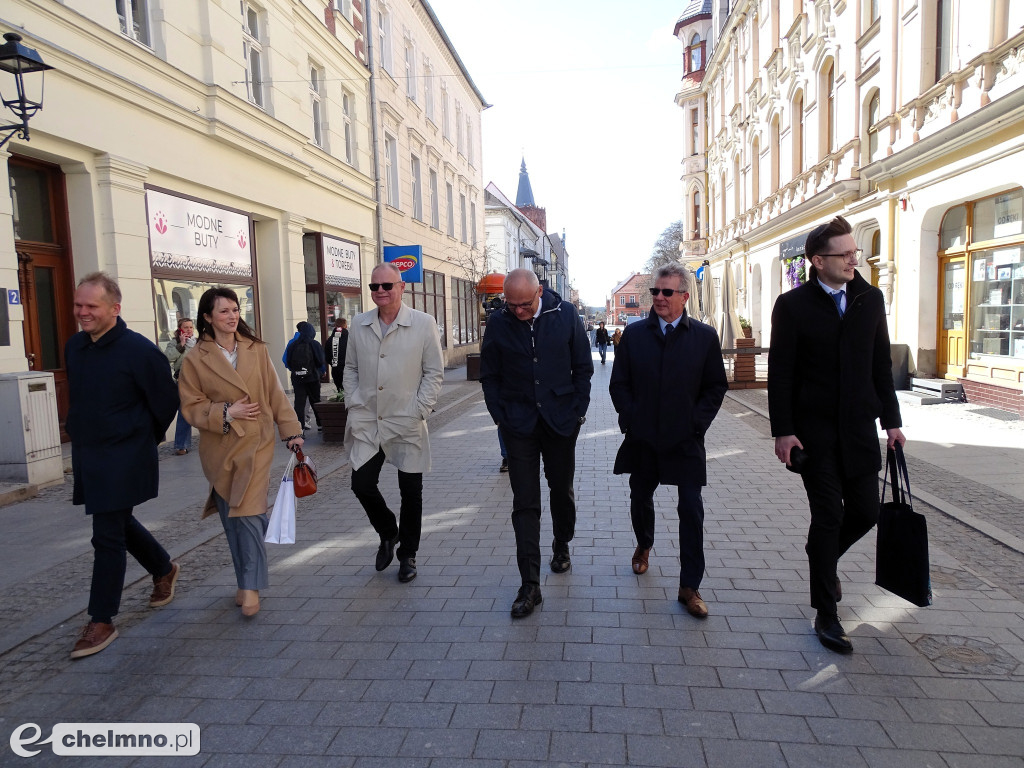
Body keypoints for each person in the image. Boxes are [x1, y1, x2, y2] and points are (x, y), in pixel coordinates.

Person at [768, 215, 905, 654]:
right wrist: (783, 432)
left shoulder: (869, 298)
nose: (853, 260)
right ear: (817, 261)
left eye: (854, 253)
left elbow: (880, 365)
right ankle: (827, 613)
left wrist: (892, 422)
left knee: (865, 512)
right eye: (844, 254)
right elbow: (781, 374)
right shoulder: (792, 306)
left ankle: (821, 558)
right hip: (815, 435)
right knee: (828, 515)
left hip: (859, 430)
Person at [65, 272, 181, 659]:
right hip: (89, 456)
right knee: (116, 522)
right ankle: (163, 568)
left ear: (115, 309)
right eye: (79, 305)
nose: (83, 312)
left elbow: (165, 401)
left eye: (91, 306)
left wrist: (139, 438)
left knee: (107, 534)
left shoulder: (139, 351)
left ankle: (102, 619)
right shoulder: (75, 348)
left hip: (125, 455)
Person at [609, 262, 727, 619]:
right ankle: (644, 544)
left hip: (685, 440)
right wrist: (631, 417)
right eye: (655, 292)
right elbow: (619, 383)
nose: (658, 298)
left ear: (684, 297)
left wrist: (696, 424)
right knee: (640, 495)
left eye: (666, 292)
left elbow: (715, 387)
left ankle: (689, 587)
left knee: (690, 509)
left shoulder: (704, 337)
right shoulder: (635, 335)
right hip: (644, 437)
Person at [179, 287, 304, 617]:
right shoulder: (195, 358)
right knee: (233, 520)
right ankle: (243, 580)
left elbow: (276, 393)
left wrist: (291, 431)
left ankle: (251, 587)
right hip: (220, 449)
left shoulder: (256, 349)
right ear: (207, 317)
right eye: (224, 311)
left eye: (235, 310)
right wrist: (225, 412)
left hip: (257, 444)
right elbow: (190, 406)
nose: (232, 316)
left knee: (248, 515)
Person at [480, 268, 594, 618]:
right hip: (519, 424)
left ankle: (562, 543)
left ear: (539, 292)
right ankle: (529, 585)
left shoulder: (566, 315)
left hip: (560, 420)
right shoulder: (499, 322)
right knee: (524, 502)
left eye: (524, 304)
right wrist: (501, 415)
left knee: (561, 489)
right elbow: (490, 374)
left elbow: (583, 368)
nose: (518, 311)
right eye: (511, 305)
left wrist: (577, 412)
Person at [344, 263, 444, 583]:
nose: (381, 291)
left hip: (407, 418)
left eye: (388, 285)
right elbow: (349, 369)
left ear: (402, 287)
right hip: (369, 419)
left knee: (410, 492)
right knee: (361, 483)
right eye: (375, 287)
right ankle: (389, 532)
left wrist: (420, 409)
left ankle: (408, 555)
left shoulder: (423, 324)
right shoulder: (359, 324)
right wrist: (353, 401)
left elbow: (434, 372)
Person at [285, 321, 327, 431]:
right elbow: (320, 361)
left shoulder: (292, 344)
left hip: (297, 378)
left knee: (299, 403)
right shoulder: (314, 344)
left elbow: (287, 361)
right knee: (316, 401)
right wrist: (320, 372)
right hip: (312, 377)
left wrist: (296, 370)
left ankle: (299, 427)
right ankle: (320, 424)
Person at [164, 317, 196, 455]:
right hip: (182, 381)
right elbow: (166, 358)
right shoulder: (174, 343)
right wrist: (180, 345)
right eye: (186, 327)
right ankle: (181, 445)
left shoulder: (198, 343)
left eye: (191, 327)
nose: (189, 330)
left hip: (199, 381)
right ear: (180, 329)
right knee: (184, 412)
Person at [326, 317, 349, 391]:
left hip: (336, 369)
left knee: (340, 390)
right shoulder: (350, 338)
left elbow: (327, 356)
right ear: (346, 326)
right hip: (349, 369)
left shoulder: (330, 340)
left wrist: (333, 363)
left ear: (335, 326)